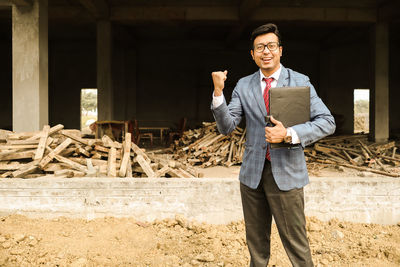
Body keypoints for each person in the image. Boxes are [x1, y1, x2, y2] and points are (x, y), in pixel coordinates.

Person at [211, 23, 335, 267]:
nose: (265, 51)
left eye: (270, 46)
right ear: (253, 54)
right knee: (257, 247)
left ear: (280, 50)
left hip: (287, 173)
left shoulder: (300, 81)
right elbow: (227, 126)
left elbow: (327, 122)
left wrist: (288, 133)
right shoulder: (244, 85)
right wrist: (218, 92)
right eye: (259, 47)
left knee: (297, 245)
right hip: (252, 175)